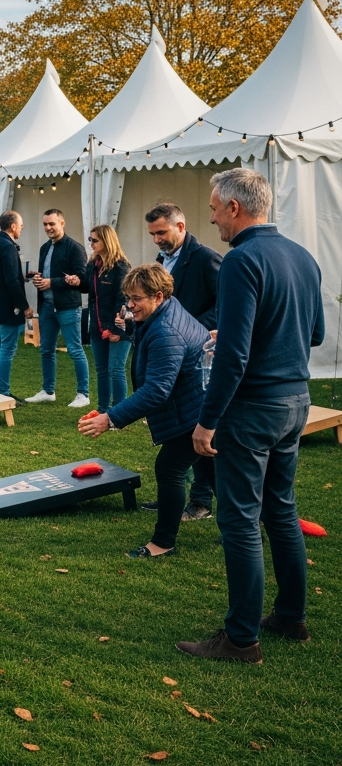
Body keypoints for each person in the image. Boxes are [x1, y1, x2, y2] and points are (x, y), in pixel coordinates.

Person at [178, 169, 324, 663]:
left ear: (236, 208)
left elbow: (235, 355)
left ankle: (240, 638)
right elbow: (316, 333)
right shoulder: (302, 255)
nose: (213, 216)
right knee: (280, 509)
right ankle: (291, 616)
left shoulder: (241, 260)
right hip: (295, 401)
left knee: (239, 521)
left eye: (216, 207)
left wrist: (206, 419)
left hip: (253, 406)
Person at [80, 264, 209, 559]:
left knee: (170, 468)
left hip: (194, 412)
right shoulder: (167, 310)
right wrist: (131, 327)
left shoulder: (166, 331)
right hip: (202, 406)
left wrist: (110, 418)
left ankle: (163, 543)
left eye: (136, 299)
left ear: (158, 296)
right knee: (220, 472)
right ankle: (248, 529)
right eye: (128, 297)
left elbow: (157, 390)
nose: (129, 305)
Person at [144, 202, 223, 521]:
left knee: (197, 434)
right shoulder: (162, 260)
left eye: (161, 232)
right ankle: (176, 495)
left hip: (200, 357)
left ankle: (202, 502)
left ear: (181, 226)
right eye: (152, 234)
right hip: (177, 356)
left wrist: (190, 328)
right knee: (185, 434)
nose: (156, 240)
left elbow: (227, 305)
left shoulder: (206, 258)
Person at [26, 208, 90, 408]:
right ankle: (48, 391)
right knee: (46, 349)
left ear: (62, 223)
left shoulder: (75, 248)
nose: (48, 228)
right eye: (45, 224)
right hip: (47, 307)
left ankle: (83, 394)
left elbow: (81, 278)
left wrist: (51, 282)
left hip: (68, 307)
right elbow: (50, 272)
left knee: (75, 350)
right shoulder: (45, 247)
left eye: (52, 224)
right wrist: (38, 278)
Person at [0, 211, 31, 399]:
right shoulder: (8, 246)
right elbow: (11, 281)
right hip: (8, 306)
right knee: (7, 349)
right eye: (20, 225)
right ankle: (2, 391)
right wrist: (25, 305)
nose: (21, 228)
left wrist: (23, 276)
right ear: (12, 226)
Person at [82, 224, 130, 411]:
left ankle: (119, 412)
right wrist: (75, 282)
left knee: (116, 369)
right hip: (97, 325)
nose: (91, 244)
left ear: (107, 241)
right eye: (90, 240)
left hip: (118, 325)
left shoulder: (121, 266)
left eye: (95, 240)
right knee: (102, 370)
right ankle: (103, 410)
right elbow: (90, 290)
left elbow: (123, 298)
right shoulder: (93, 265)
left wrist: (117, 329)